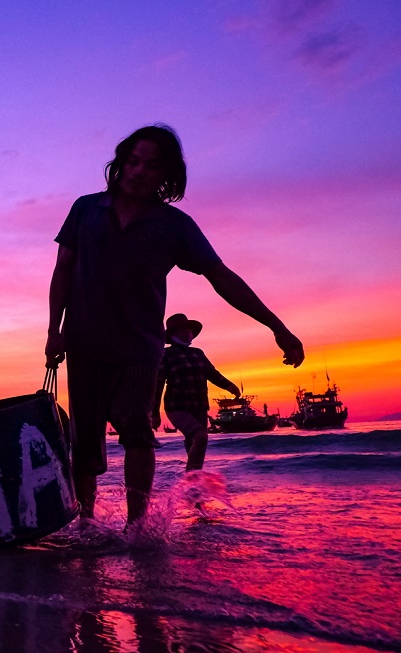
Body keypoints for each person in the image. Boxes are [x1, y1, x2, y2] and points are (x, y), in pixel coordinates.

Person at [45, 125, 304, 526]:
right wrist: (53, 331)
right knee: (85, 442)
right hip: (84, 341)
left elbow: (222, 277)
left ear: (166, 175)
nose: (138, 171)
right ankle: (86, 526)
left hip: (139, 349)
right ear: (120, 163)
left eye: (151, 166)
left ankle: (136, 529)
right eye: (132, 161)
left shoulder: (174, 225)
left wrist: (276, 326)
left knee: (136, 433)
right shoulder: (85, 209)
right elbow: (63, 271)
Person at [152, 313, 241, 471]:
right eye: (182, 330)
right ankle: (192, 478)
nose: (187, 333)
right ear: (172, 335)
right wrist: (154, 413)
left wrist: (229, 386)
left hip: (200, 405)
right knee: (200, 436)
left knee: (193, 442)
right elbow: (158, 384)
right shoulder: (166, 355)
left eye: (189, 330)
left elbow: (213, 374)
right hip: (177, 407)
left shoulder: (197, 353)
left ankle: (193, 484)